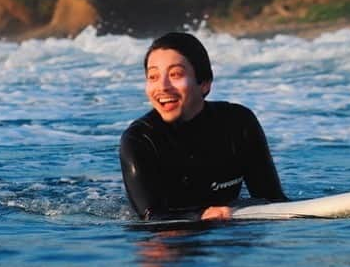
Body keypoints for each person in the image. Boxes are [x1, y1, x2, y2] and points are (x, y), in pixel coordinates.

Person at [119, 32, 288, 221]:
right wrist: (200, 216)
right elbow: (150, 216)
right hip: (171, 236)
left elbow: (271, 199)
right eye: (153, 76)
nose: (163, 86)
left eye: (175, 74)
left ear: (205, 84)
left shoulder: (239, 123)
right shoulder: (140, 139)